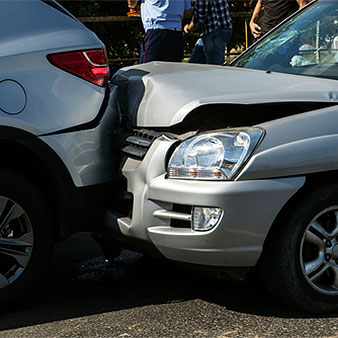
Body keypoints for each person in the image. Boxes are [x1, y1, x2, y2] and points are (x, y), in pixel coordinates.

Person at [184, 0, 232, 65]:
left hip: (214, 31)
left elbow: (200, 17)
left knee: (214, 69)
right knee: (195, 64)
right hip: (218, 30)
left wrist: (188, 28)